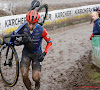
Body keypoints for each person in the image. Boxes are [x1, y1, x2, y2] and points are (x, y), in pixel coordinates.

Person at [11, 10, 52, 90]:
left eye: (33, 24)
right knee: (24, 74)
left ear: (36, 23)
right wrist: (16, 41)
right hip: (26, 53)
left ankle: (38, 82)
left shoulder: (42, 30)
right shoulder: (23, 27)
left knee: (35, 77)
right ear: (27, 21)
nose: (30, 26)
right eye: (29, 23)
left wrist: (44, 53)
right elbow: (14, 38)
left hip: (37, 54)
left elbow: (49, 42)